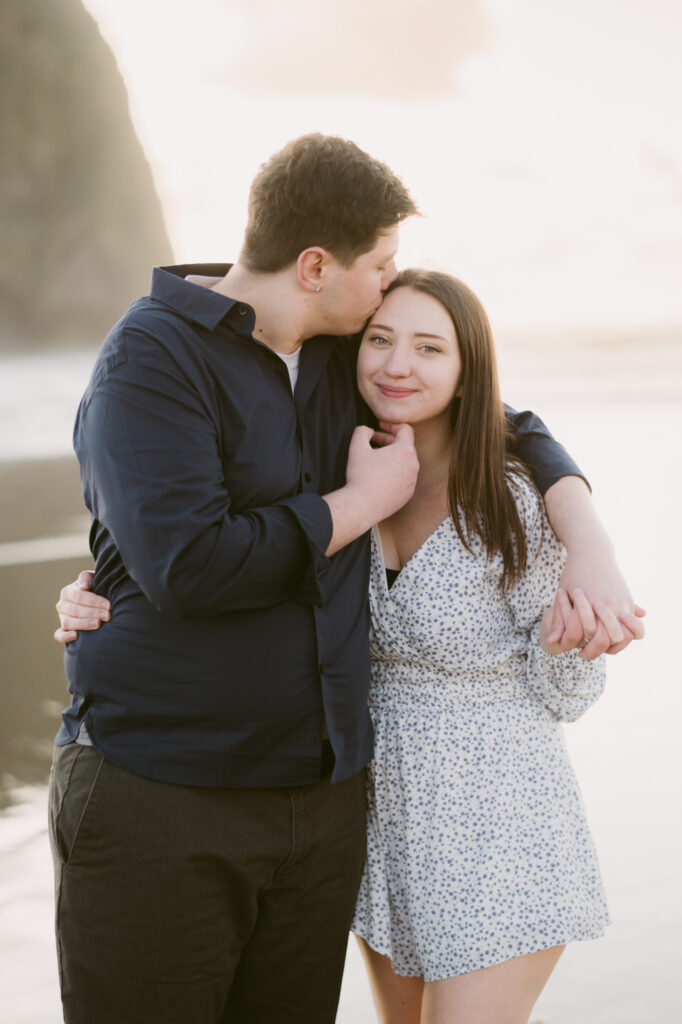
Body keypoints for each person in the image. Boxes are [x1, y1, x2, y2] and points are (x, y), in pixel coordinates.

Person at [50, 134, 642, 1024]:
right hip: (165, 796)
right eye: (382, 266)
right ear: (318, 265)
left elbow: (492, 409)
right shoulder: (150, 363)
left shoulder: (333, 358)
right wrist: (353, 508)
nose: (390, 292)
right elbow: (189, 565)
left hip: (326, 814)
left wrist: (584, 531)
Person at [349, 268, 640, 1024]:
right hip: (384, 825)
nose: (396, 365)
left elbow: (569, 697)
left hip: (503, 828)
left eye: (427, 347)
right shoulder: (343, 473)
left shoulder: (514, 498)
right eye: (379, 340)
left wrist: (572, 639)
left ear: (465, 369)